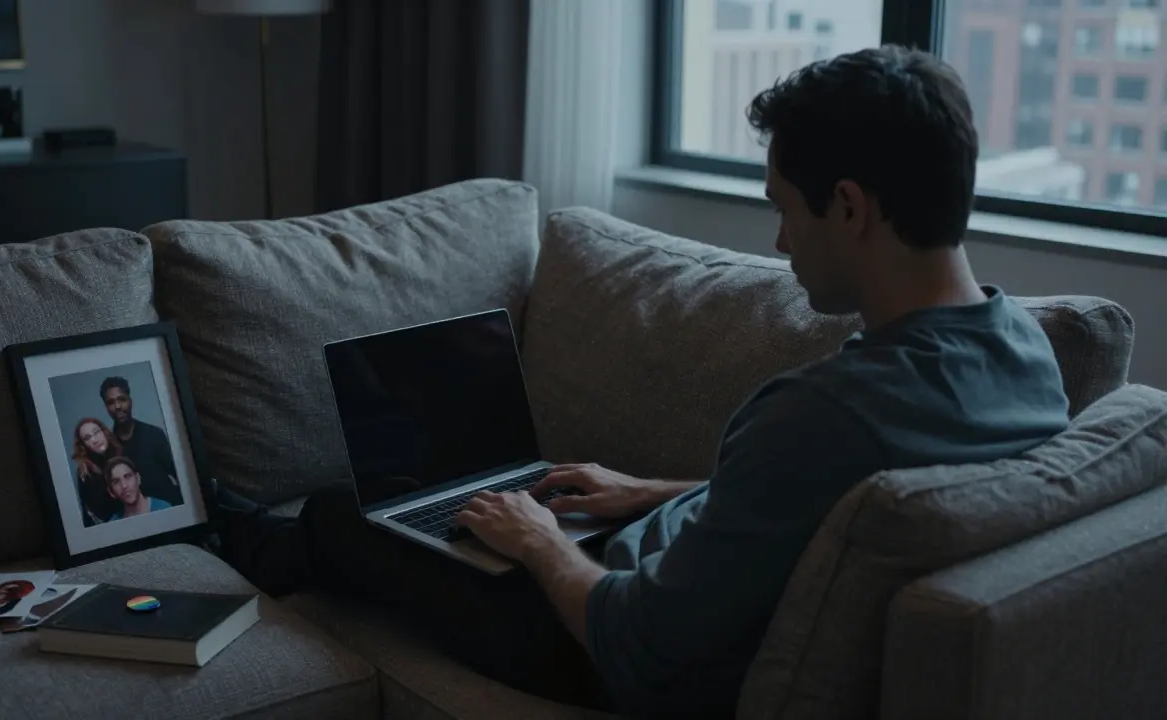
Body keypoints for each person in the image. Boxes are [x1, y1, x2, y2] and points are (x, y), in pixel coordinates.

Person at [213, 45, 1072, 718]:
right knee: (463, 511)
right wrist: (654, 491)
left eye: (784, 209)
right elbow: (836, 510)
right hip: (668, 565)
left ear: (849, 207)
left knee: (343, 512)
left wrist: (540, 543)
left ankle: (233, 534)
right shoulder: (1026, 357)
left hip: (594, 643)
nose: (781, 244)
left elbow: (632, 643)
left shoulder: (821, 414)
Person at [99, 376, 183, 506]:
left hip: (170, 506)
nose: (117, 406)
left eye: (122, 399)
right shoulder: (108, 447)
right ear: (106, 407)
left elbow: (180, 475)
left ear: (130, 400)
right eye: (111, 402)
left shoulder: (154, 434)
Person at [71, 418, 124, 526]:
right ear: (83, 445)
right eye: (87, 438)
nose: (95, 440)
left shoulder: (122, 454)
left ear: (104, 432)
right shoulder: (86, 471)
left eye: (96, 432)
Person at [103, 456, 173, 522]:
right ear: (111, 492)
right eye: (116, 482)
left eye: (128, 476)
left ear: (138, 478)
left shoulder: (164, 509)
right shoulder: (114, 525)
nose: (124, 485)